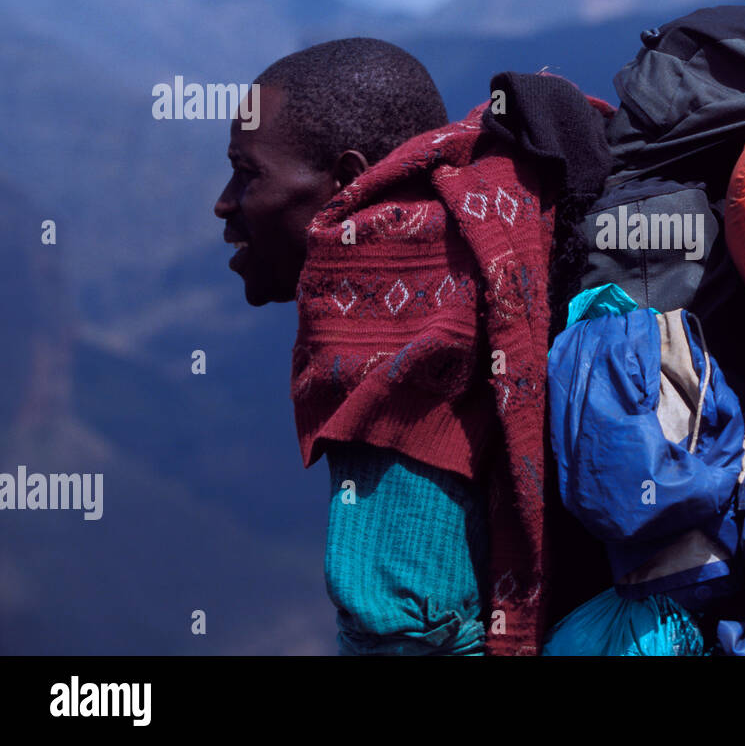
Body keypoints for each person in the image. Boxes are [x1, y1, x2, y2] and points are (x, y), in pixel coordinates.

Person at [214, 38, 606, 655]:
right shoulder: (471, 250)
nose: (224, 203)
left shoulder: (394, 323)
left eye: (248, 172)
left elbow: (399, 628)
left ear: (347, 179)